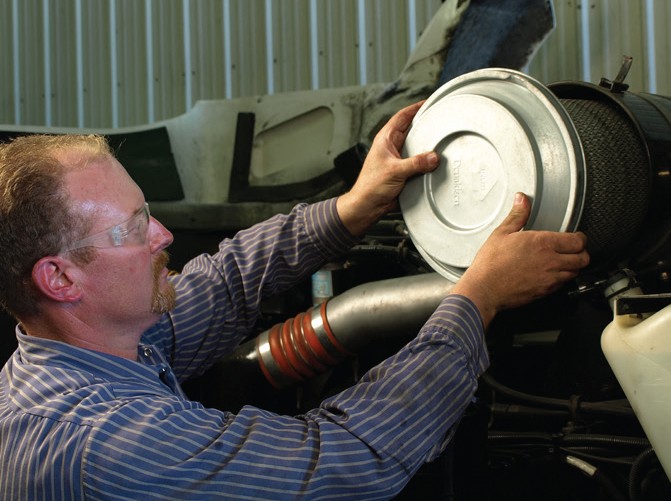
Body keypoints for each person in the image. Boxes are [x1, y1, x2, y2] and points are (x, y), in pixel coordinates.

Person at [0, 102, 589, 500]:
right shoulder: (107, 443)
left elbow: (228, 281)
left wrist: (353, 207)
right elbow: (345, 459)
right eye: (133, 229)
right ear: (60, 279)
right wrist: (478, 298)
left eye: (148, 212)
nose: (163, 235)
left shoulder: (86, 348)